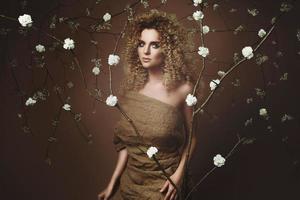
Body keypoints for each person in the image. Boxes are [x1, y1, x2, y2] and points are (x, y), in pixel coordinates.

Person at [98, 9, 197, 200]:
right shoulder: (132, 91)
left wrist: (178, 177)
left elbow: (191, 138)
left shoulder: (183, 90)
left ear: (168, 49)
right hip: (131, 186)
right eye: (142, 44)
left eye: (155, 45)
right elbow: (128, 144)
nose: (146, 51)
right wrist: (113, 183)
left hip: (165, 186)